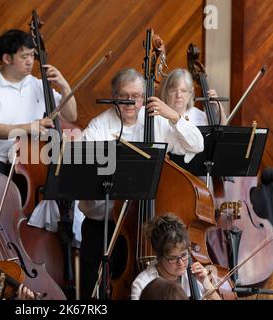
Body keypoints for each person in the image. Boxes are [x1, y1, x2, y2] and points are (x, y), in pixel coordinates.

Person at [78, 67, 204, 299]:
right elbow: (84, 172)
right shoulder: (99, 127)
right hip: (103, 224)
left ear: (144, 97)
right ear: (113, 96)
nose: (130, 102)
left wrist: (174, 116)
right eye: (123, 96)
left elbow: (196, 145)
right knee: (93, 292)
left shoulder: (156, 121)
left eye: (136, 96)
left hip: (147, 228)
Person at [0, 29, 77, 175]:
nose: (30, 61)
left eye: (32, 55)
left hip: (32, 157)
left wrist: (64, 86)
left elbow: (71, 116)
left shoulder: (39, 85)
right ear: (7, 59)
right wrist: (30, 127)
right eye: (24, 56)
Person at [131, 214, 221, 300]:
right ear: (159, 256)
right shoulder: (142, 284)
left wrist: (206, 282)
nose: (181, 263)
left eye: (184, 255)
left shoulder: (193, 274)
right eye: (173, 258)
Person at [158, 68, 227, 126]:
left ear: (190, 93)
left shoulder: (199, 116)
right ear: (166, 92)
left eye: (183, 91)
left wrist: (219, 108)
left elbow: (222, 133)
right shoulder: (158, 117)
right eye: (173, 90)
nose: (178, 95)